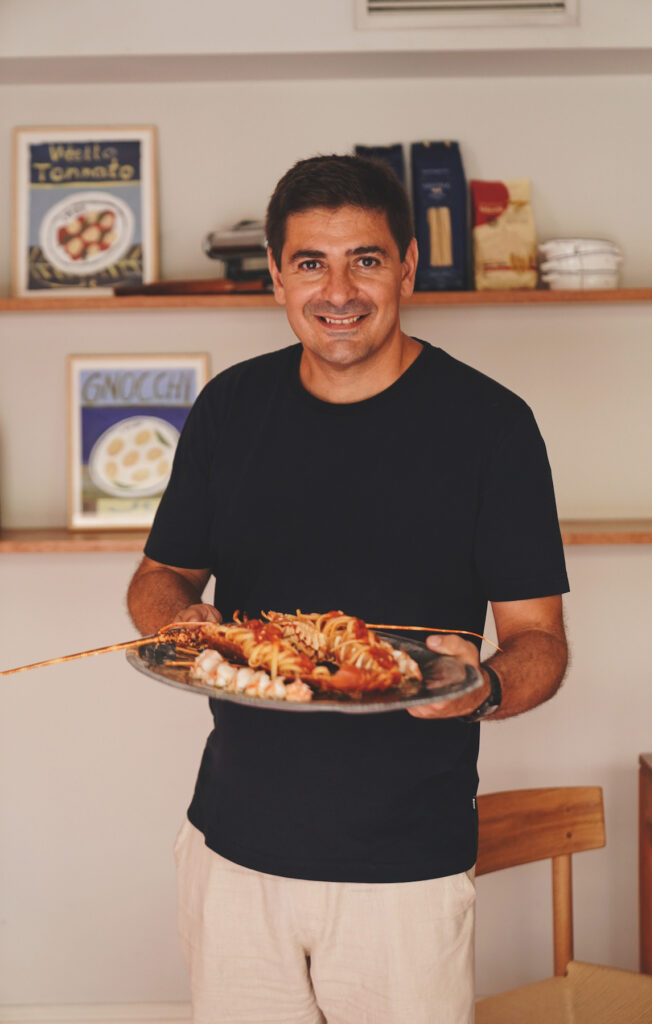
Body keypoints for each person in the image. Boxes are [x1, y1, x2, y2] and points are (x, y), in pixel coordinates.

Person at [127, 154, 569, 1024]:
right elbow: (160, 575)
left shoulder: (492, 426)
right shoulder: (229, 408)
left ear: (407, 266)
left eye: (364, 260)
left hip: (405, 872)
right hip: (231, 853)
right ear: (275, 275)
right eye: (310, 263)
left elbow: (539, 641)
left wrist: (483, 688)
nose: (338, 291)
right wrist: (177, 620)